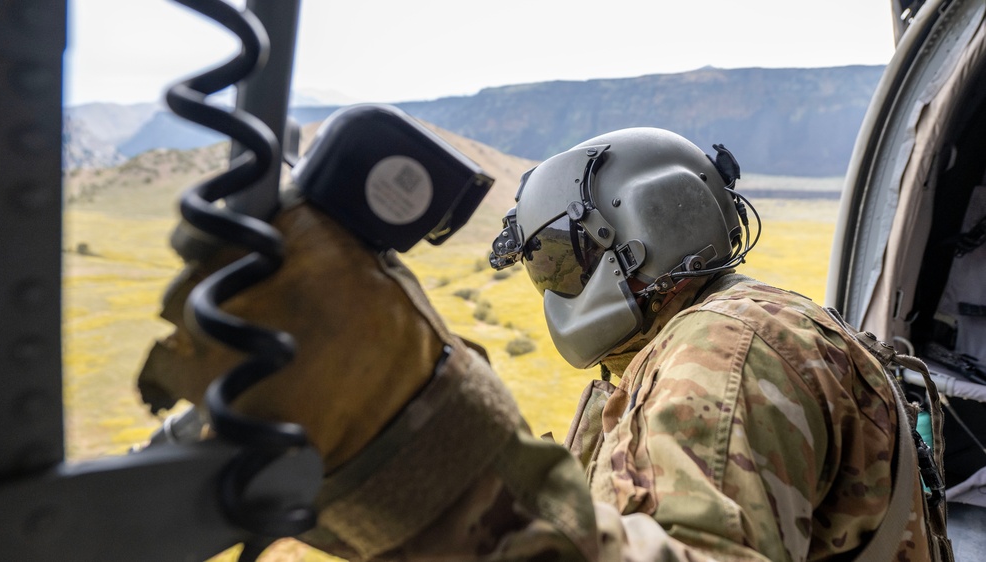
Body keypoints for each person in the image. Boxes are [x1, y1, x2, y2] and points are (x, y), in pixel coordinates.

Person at [138, 128, 951, 561]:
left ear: (648, 226)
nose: (552, 287)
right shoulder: (691, 337)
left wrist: (425, 459)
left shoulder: (722, 351)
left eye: (560, 259)